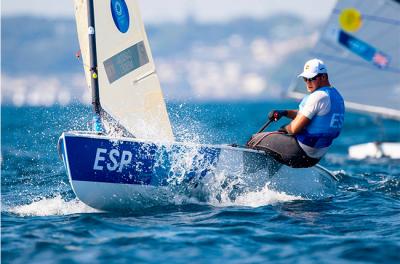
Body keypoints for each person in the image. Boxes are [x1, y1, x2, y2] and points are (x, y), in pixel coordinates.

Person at [247, 58, 345, 168]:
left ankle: (246, 177)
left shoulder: (318, 96)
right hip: (315, 157)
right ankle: (273, 173)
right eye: (305, 79)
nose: (308, 82)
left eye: (312, 78)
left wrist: (285, 128)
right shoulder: (336, 96)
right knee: (276, 143)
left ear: (324, 77)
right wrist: (284, 112)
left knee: (254, 139)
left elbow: (294, 129)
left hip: (299, 152)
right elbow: (307, 115)